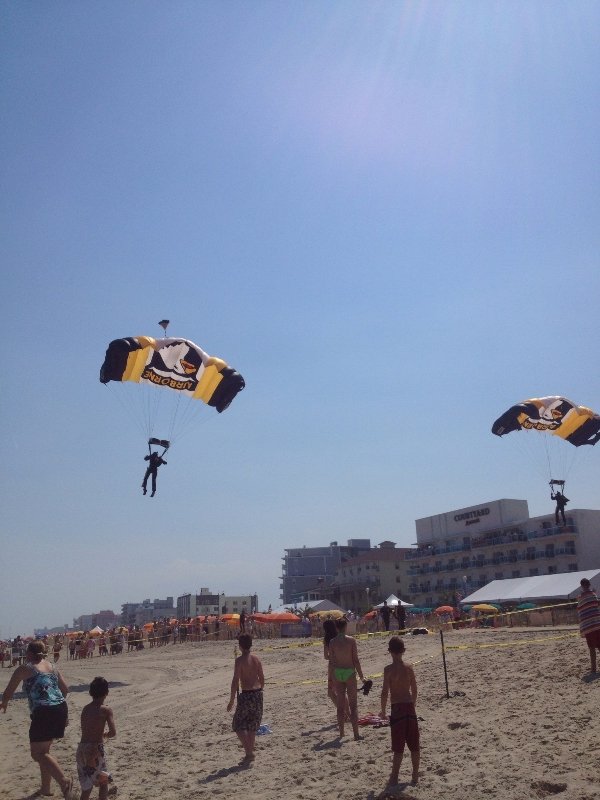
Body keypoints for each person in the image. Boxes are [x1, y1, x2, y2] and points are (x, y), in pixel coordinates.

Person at [1, 639, 74, 799]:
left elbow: (9, 691)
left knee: (37, 754)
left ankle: (64, 781)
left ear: (28, 653)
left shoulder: (25, 668)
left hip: (43, 711)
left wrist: (4, 703)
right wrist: (57, 704)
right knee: (44, 752)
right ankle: (45, 788)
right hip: (60, 708)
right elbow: (65, 689)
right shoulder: (52, 666)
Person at [380, 636, 420, 787]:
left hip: (397, 709)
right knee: (414, 744)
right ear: (403, 651)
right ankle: (415, 775)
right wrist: (413, 704)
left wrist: (383, 710)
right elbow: (414, 690)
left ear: (390, 651)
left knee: (398, 746)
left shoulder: (388, 670)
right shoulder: (409, 668)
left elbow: (385, 692)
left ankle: (395, 776)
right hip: (409, 707)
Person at [76, 676, 116, 800]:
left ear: (90, 692)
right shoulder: (106, 710)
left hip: (82, 749)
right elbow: (113, 732)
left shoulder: (85, 709)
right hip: (95, 749)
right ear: (107, 692)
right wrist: (105, 734)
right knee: (103, 782)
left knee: (86, 787)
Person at [227, 634, 264, 764]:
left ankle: (249, 753)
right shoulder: (256, 659)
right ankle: (249, 753)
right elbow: (262, 678)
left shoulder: (239, 661)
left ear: (240, 646)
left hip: (247, 694)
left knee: (238, 725)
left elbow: (235, 681)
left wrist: (231, 700)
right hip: (258, 694)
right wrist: (260, 690)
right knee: (251, 725)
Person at [328, 617, 367, 741]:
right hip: (349, 672)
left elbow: (331, 662)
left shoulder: (332, 642)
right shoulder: (351, 641)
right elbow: (355, 660)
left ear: (336, 628)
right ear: (345, 627)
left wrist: (330, 679)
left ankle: (341, 734)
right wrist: (362, 677)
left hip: (337, 673)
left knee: (340, 706)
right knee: (353, 705)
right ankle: (356, 734)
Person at [323, 620, 351, 721]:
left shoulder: (327, 640)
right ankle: (348, 713)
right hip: (344, 665)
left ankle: (344, 713)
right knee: (342, 692)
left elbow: (326, 656)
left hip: (333, 667)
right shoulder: (340, 637)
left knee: (331, 693)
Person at [576, 578, 600, 674]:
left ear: (582, 586)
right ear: (589, 585)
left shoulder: (580, 598)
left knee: (591, 647)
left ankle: (593, 669)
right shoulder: (594, 595)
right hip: (597, 624)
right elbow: (597, 605)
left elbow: (579, 610)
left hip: (588, 626)